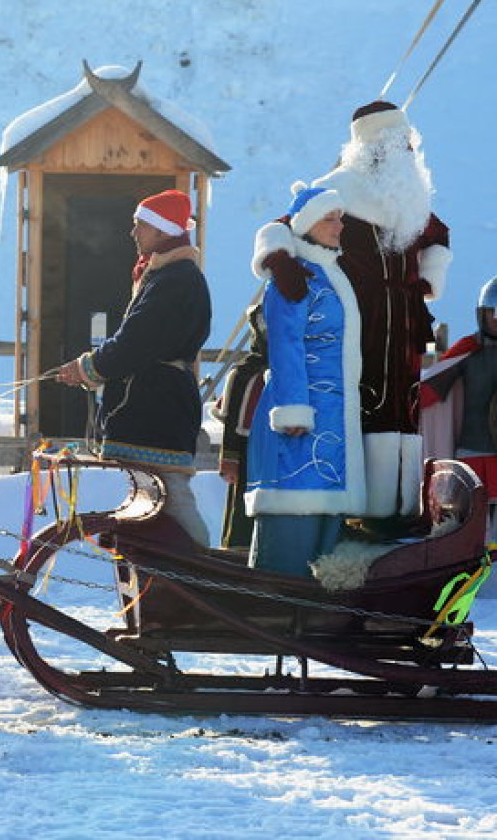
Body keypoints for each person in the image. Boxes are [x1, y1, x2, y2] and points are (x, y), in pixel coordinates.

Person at [252, 101, 450, 529]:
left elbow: (438, 233)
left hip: (404, 328)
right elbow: (284, 223)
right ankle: (361, 519)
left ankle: (400, 513)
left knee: (403, 413)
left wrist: (430, 277)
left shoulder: (408, 194)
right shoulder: (340, 187)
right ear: (371, 147)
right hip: (362, 323)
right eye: (394, 144)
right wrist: (281, 260)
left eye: (407, 144)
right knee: (366, 412)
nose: (404, 153)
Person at [55, 189, 212, 545]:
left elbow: (135, 342)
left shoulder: (177, 278)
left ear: (161, 231)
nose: (133, 233)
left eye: (140, 225)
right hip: (150, 405)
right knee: (148, 498)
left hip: (160, 407)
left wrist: (87, 368)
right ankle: (161, 576)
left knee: (171, 497)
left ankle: (207, 568)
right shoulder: (165, 275)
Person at [244, 187, 366, 576]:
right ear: (307, 225)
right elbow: (285, 346)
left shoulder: (328, 274)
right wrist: (294, 411)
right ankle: (274, 612)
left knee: (325, 523)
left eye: (340, 217)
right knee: (292, 524)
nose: (340, 225)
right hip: (300, 419)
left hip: (331, 421)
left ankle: (314, 619)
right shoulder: (293, 276)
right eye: (330, 218)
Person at [420, 277, 497, 539]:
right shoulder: (469, 351)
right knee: (471, 533)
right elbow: (426, 394)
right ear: (481, 314)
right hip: (473, 454)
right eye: (493, 312)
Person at [211, 302, 267, 549]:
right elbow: (233, 429)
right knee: (243, 508)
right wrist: (230, 458)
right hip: (249, 454)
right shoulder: (245, 374)